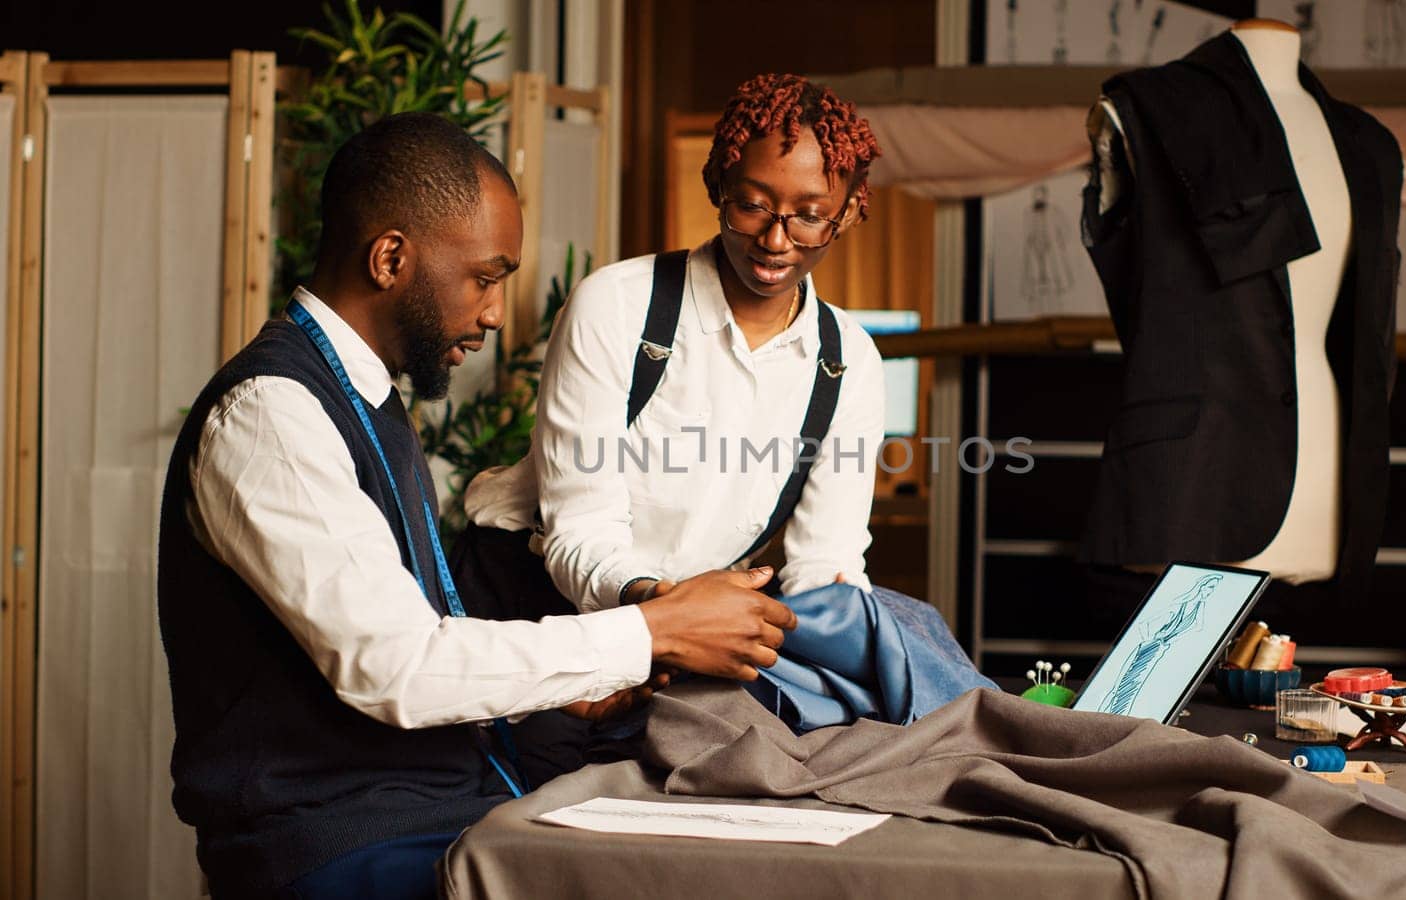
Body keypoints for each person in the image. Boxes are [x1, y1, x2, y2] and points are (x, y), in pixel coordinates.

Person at [156, 112, 797, 900]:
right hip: (332, 848)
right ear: (391, 257)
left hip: (429, 816)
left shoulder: (362, 403)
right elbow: (397, 668)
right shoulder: (271, 417)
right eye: (486, 278)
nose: (494, 314)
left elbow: (409, 637)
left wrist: (578, 682)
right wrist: (650, 629)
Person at [464, 72, 887, 615]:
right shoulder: (618, 308)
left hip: (686, 622)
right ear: (717, 185)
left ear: (847, 212)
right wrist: (669, 613)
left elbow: (826, 564)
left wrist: (851, 634)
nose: (776, 242)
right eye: (752, 205)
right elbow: (581, 532)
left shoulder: (849, 363)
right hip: (529, 597)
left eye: (809, 217)